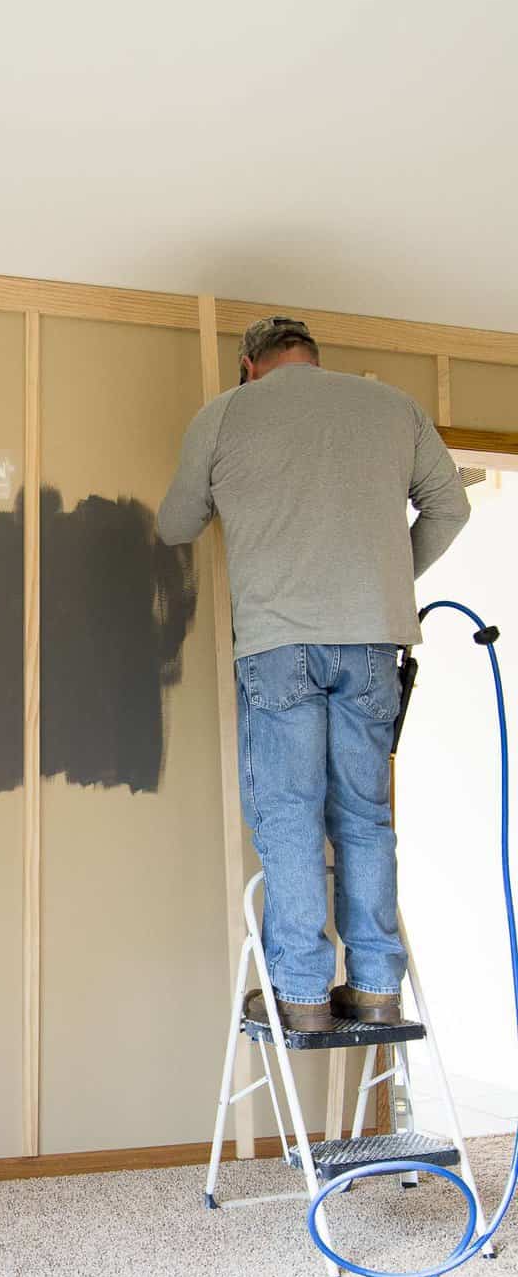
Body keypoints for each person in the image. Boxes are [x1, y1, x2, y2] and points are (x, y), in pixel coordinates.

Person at [157, 315, 469, 1030]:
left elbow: (176, 525)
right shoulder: (394, 407)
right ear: (314, 358)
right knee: (364, 817)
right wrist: (387, 584)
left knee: (291, 816)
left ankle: (299, 996)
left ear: (248, 364)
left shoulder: (226, 413)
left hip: (278, 644)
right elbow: (449, 508)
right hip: (372, 646)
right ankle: (375, 989)